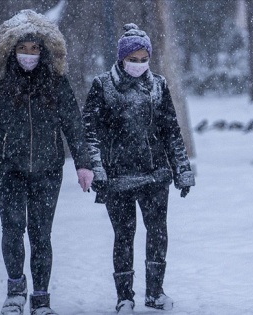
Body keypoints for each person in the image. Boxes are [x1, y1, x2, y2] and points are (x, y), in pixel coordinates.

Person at [0, 10, 94, 315]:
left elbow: (73, 123)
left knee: (41, 234)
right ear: (11, 50)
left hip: (47, 170)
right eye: (23, 48)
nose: (29, 55)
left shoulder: (57, 82)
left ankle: (42, 298)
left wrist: (83, 163)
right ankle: (15, 292)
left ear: (44, 51)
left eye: (35, 49)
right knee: (12, 229)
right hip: (7, 169)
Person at [82, 23, 195, 314]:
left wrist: (182, 168)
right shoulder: (102, 86)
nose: (139, 64)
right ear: (122, 58)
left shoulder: (158, 85)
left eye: (144, 58)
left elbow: (171, 130)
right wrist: (98, 170)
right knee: (124, 235)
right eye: (133, 59)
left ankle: (155, 293)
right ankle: (124, 297)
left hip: (155, 175)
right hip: (117, 177)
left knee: (158, 232)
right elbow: (90, 133)